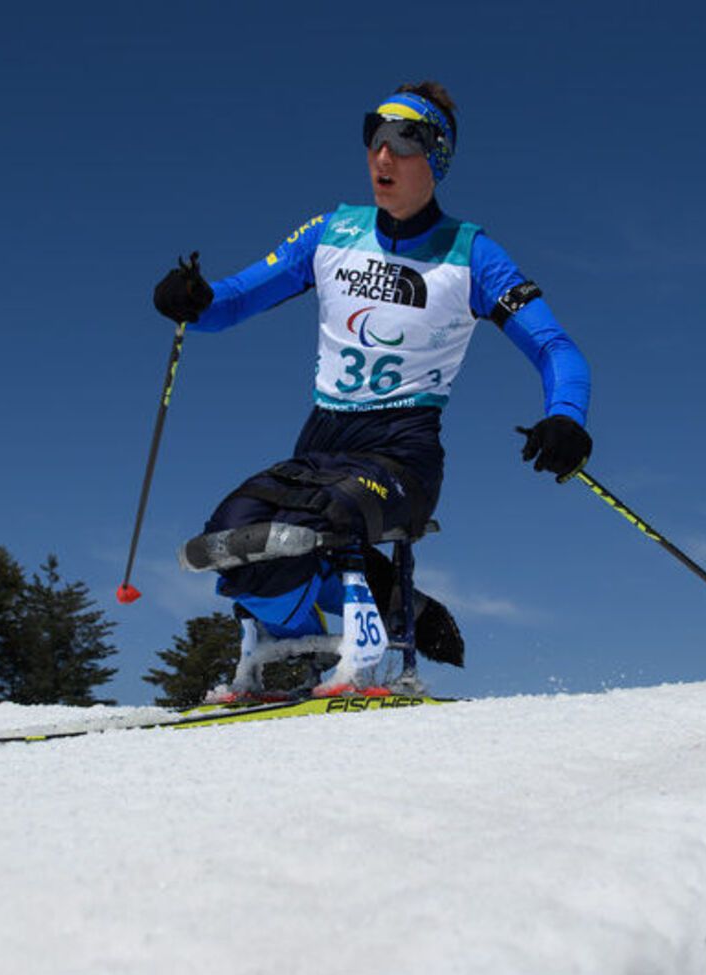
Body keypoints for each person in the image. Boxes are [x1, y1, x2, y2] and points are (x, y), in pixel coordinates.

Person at [152, 81, 592, 690]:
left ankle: (366, 646)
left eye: (403, 142)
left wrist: (565, 415)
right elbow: (229, 303)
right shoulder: (331, 232)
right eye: (373, 138)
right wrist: (192, 300)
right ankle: (297, 651)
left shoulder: (474, 255)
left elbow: (555, 347)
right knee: (233, 532)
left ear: (435, 157)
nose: (382, 157)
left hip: (402, 450)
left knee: (321, 525)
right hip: (322, 444)